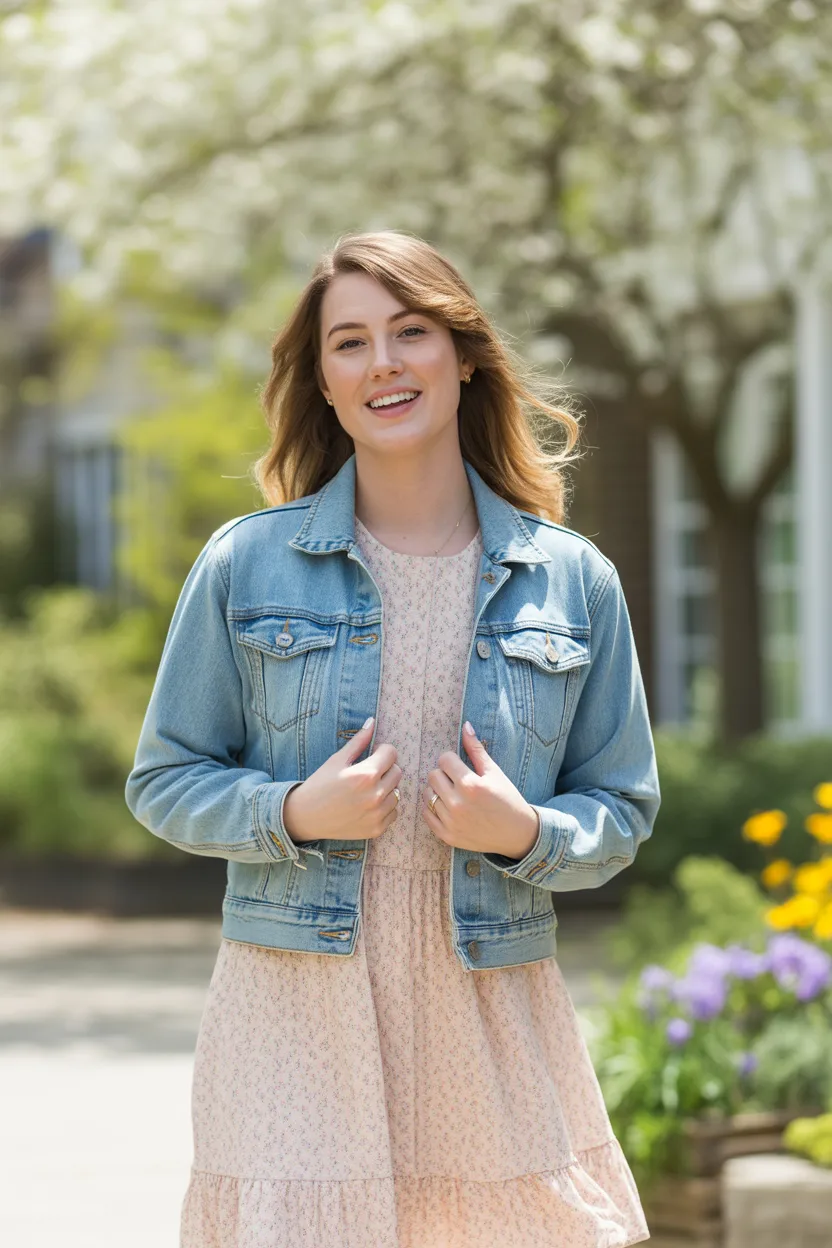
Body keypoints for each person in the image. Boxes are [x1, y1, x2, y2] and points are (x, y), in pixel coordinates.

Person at [125, 228, 661, 1248]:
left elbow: (621, 804)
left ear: (461, 354)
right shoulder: (246, 564)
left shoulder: (569, 577)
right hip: (294, 1006)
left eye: (410, 332)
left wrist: (523, 833)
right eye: (350, 343)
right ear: (322, 383)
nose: (383, 364)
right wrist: (288, 811)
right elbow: (165, 779)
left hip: (487, 999)